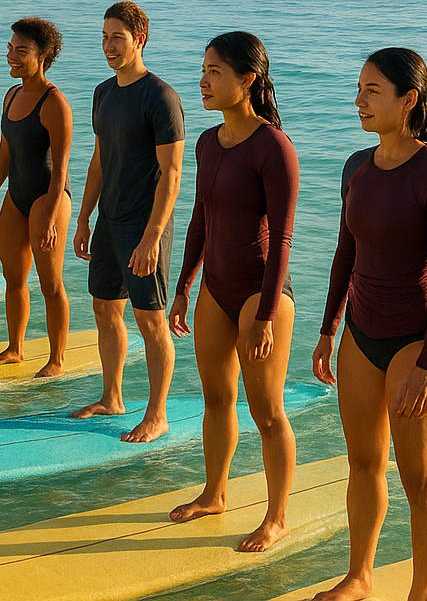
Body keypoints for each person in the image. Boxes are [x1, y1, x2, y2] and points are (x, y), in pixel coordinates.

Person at [310, 48, 427, 601]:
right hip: (360, 335)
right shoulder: (356, 165)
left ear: (409, 100)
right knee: (363, 464)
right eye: (358, 89)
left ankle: (421, 593)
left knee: (419, 481)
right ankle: (359, 577)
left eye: (372, 91)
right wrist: (329, 329)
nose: (359, 101)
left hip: (414, 343)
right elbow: (344, 252)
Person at [168, 32, 300, 552]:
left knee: (266, 411)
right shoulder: (207, 141)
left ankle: (277, 516)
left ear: (247, 80)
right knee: (217, 398)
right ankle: (215, 493)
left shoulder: (273, 148)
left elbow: (284, 238)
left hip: (261, 293)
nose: (203, 80)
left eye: (215, 71)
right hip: (214, 288)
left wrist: (266, 313)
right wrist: (182, 285)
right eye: (203, 69)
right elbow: (200, 218)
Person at [72, 0, 184, 443]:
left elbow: (172, 174)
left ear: (140, 39)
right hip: (108, 220)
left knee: (151, 319)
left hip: (145, 225)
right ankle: (112, 397)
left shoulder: (160, 97)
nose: (108, 45)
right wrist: (82, 217)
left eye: (117, 36)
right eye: (103, 36)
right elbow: (98, 161)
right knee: (104, 308)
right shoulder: (103, 92)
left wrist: (153, 236)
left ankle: (157, 414)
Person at [0, 17, 73, 376]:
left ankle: (57, 359)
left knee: (51, 284)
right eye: (10, 48)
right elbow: (5, 151)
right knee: (13, 277)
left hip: (48, 197)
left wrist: (50, 215)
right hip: (16, 197)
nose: (11, 56)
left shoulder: (55, 103)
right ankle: (15, 349)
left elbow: (62, 167)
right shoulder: (12, 95)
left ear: (44, 55)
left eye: (22, 51)